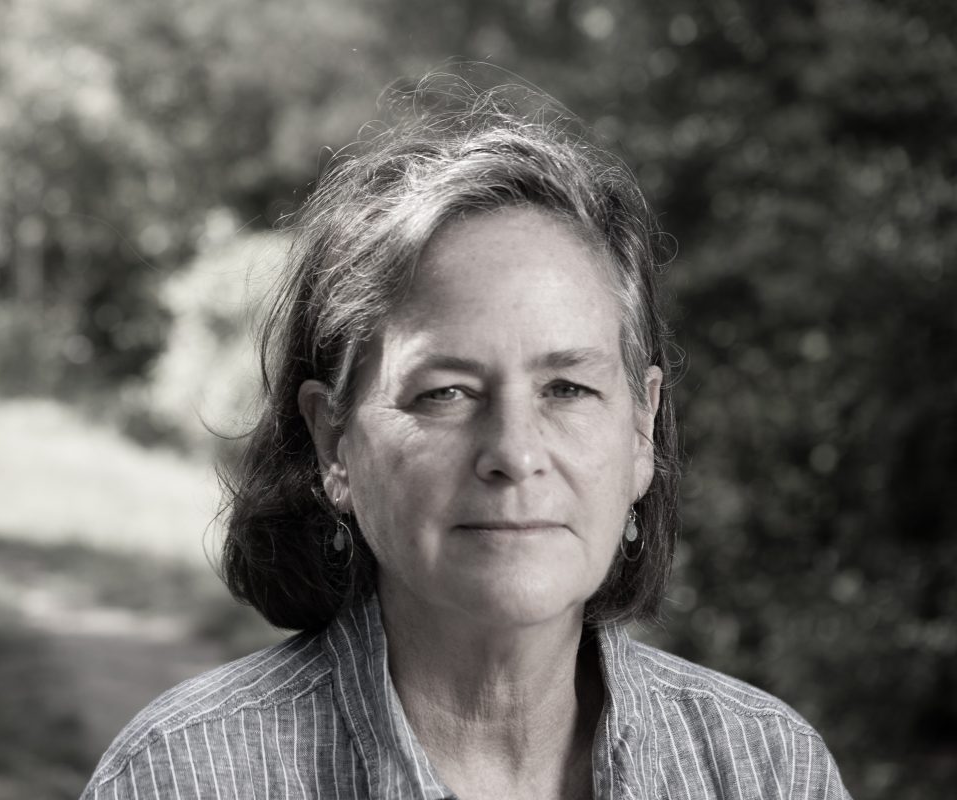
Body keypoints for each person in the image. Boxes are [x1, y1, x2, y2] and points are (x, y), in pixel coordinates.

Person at [81, 80, 851, 800]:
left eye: (569, 389)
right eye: (445, 393)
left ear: (641, 430)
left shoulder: (766, 769)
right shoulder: (182, 776)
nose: (514, 454)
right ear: (333, 444)